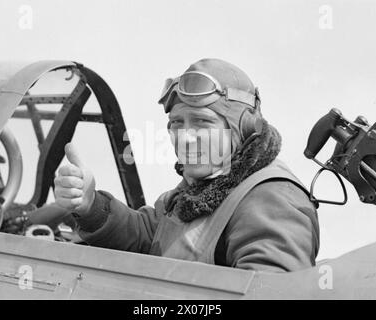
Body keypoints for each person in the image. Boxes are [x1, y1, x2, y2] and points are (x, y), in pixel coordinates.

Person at [54, 58, 320, 272]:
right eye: (177, 124)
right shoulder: (199, 191)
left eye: (202, 122)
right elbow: (149, 236)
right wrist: (90, 205)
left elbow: (271, 292)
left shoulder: (270, 199)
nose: (185, 137)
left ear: (244, 129)